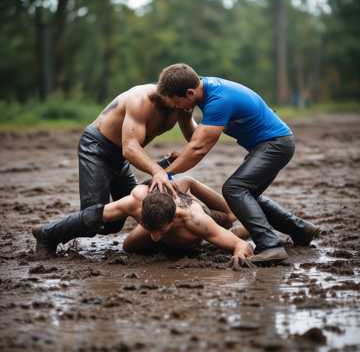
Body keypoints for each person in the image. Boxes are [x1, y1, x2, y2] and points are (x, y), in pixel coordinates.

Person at [152, 63, 320, 260]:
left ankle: (270, 246)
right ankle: (301, 230)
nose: (175, 108)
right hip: (271, 143)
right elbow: (195, 140)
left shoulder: (219, 100)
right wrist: (185, 118)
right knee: (247, 197)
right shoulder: (202, 88)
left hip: (275, 144)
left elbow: (199, 148)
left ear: (189, 93)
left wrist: (165, 173)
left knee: (234, 189)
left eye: (176, 103)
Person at [33, 83, 202, 248]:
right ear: (171, 95)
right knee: (94, 222)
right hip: (97, 148)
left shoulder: (181, 105)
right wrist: (157, 170)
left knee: (115, 223)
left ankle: (149, 187)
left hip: (120, 158)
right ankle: (46, 234)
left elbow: (195, 139)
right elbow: (129, 149)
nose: (192, 103)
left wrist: (186, 123)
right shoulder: (141, 99)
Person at [33, 177, 257, 268]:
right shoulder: (136, 200)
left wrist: (239, 253)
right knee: (128, 246)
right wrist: (51, 233)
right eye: (151, 229)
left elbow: (239, 245)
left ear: (173, 219)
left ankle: (253, 224)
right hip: (165, 212)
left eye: (159, 231)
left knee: (228, 221)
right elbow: (94, 215)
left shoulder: (195, 219)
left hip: (195, 232)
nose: (154, 236)